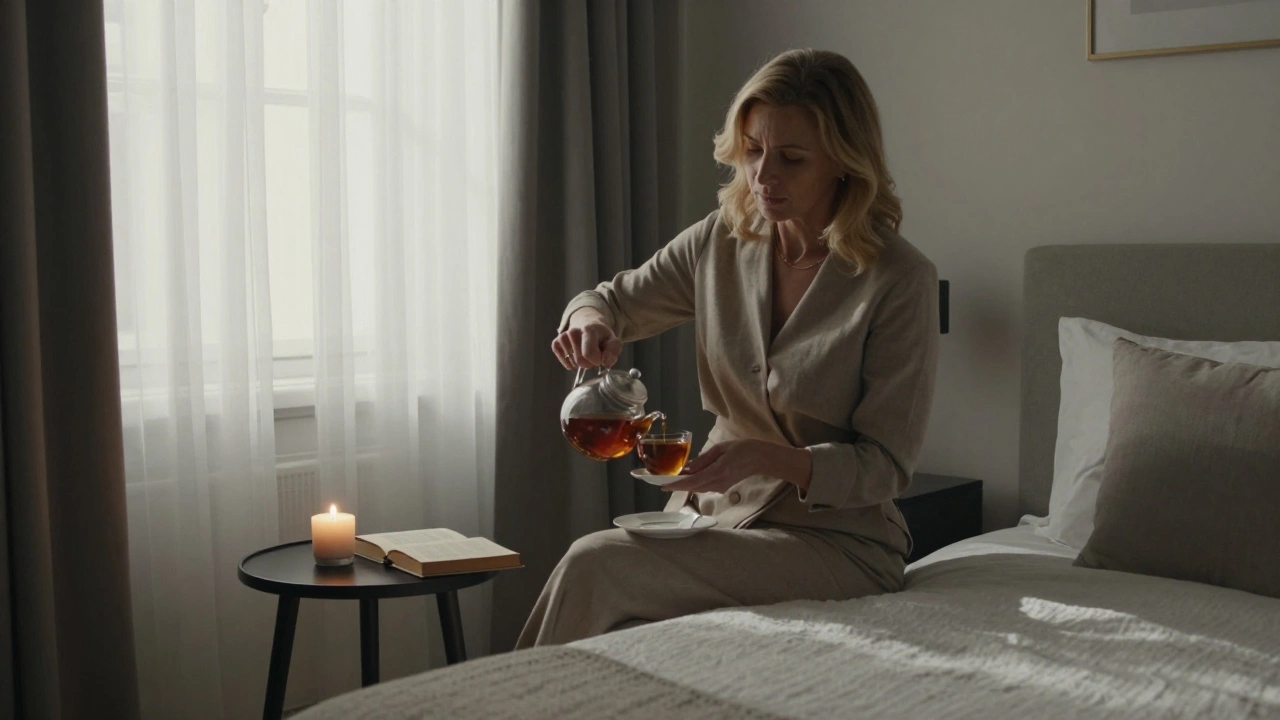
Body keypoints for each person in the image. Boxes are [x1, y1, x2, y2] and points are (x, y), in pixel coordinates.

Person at [515, 48, 939, 649]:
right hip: (708, 518)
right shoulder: (723, 240)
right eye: (754, 150)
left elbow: (885, 467)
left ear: (844, 164)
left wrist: (768, 457)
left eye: (791, 158)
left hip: (836, 543)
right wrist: (588, 322)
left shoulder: (898, 280)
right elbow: (609, 300)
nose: (764, 176)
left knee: (596, 562)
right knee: (627, 628)